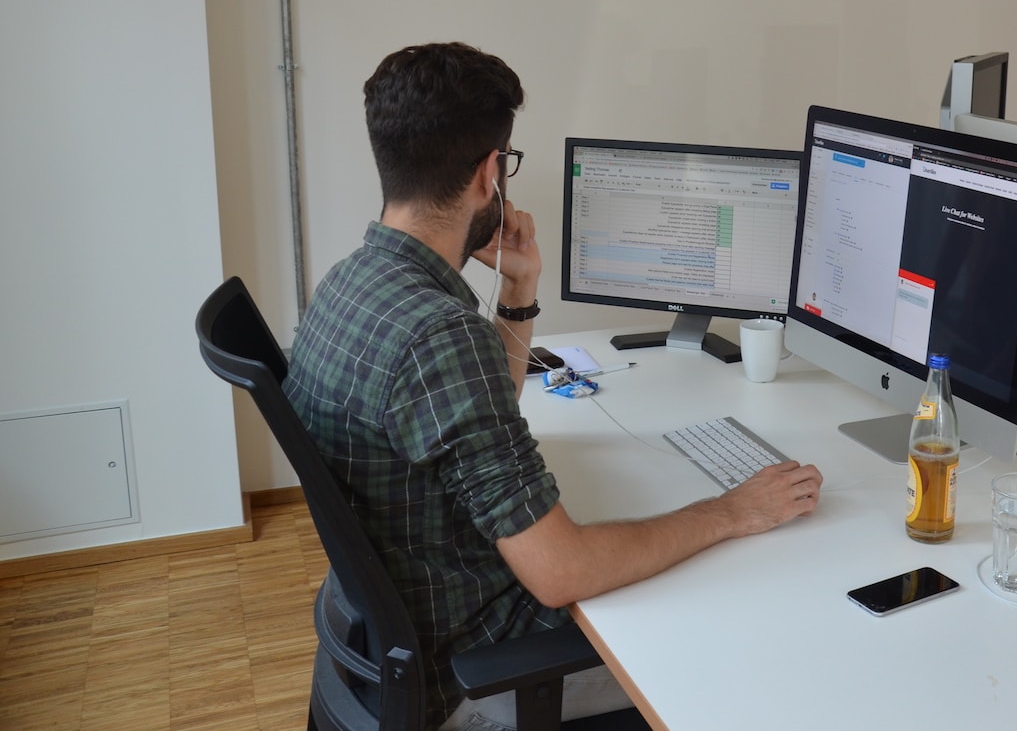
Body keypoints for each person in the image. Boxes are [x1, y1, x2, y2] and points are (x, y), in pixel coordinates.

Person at [283, 41, 823, 731]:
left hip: (396, 642)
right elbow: (562, 573)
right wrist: (730, 512)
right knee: (756, 631)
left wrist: (520, 288)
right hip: (486, 669)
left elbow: (478, 415)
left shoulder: (351, 283)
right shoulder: (439, 336)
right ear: (489, 173)